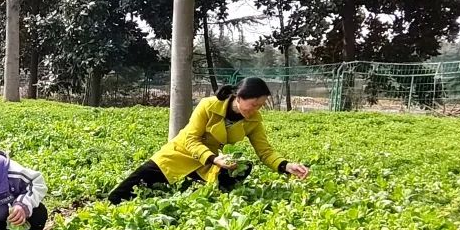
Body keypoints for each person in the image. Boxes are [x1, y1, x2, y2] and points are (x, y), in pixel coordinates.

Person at [108, 77, 310, 204]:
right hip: (182, 153)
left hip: (210, 163)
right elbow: (190, 139)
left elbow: (264, 151)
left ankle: (206, 186)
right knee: (122, 192)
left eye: (260, 106)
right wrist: (213, 159)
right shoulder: (208, 105)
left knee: (243, 167)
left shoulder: (254, 120)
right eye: (254, 104)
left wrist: (286, 166)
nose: (256, 110)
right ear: (238, 98)